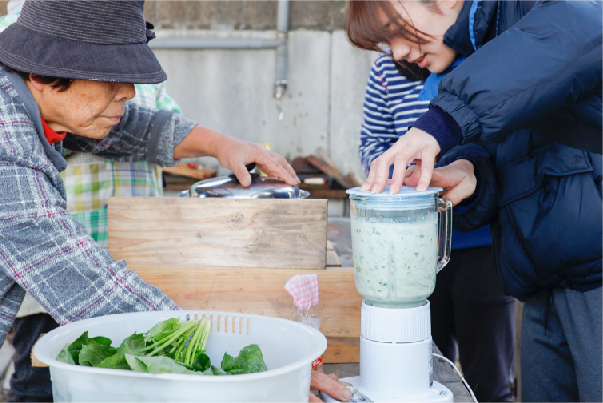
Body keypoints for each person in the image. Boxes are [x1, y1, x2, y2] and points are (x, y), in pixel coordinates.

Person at [0, 2, 349, 402]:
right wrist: (259, 380)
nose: (128, 92)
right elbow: (86, 286)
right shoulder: (6, 142)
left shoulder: (34, 102)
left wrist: (222, 145)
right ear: (43, 72)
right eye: (112, 79)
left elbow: (135, 128)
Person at [346, 1, 602, 402]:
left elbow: (582, 23)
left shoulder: (522, 10)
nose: (397, 53)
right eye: (387, 41)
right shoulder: (484, 43)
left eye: (397, 29)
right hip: (544, 283)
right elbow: (537, 149)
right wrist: (472, 173)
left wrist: (444, 120)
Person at [359, 53, 514, 402]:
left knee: (488, 382)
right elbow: (371, 142)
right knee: (420, 376)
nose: (401, 49)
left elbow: (500, 142)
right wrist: (400, 171)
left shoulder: (482, 56)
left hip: (482, 243)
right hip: (412, 245)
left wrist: (442, 169)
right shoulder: (387, 68)